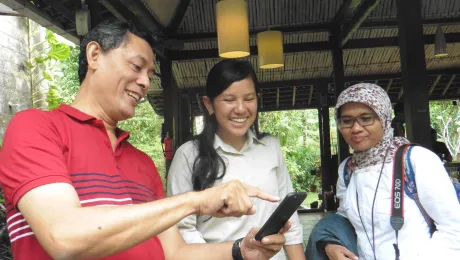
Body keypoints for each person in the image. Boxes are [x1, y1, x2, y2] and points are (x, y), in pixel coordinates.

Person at [0, 19, 290, 260]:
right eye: (136, 67)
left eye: (150, 74)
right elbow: (63, 237)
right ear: (94, 56)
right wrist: (195, 201)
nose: (145, 82)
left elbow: (175, 253)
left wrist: (242, 250)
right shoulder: (36, 128)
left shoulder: (141, 163)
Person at [167, 59, 305, 260]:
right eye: (229, 100)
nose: (240, 109)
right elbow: (183, 230)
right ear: (209, 104)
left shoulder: (271, 148)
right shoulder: (188, 155)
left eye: (248, 99)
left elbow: (290, 219)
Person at [323, 83, 460, 260]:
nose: (356, 128)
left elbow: (454, 230)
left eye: (366, 118)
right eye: (346, 121)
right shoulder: (347, 170)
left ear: (384, 118)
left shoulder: (416, 160)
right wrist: (330, 243)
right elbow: (346, 219)